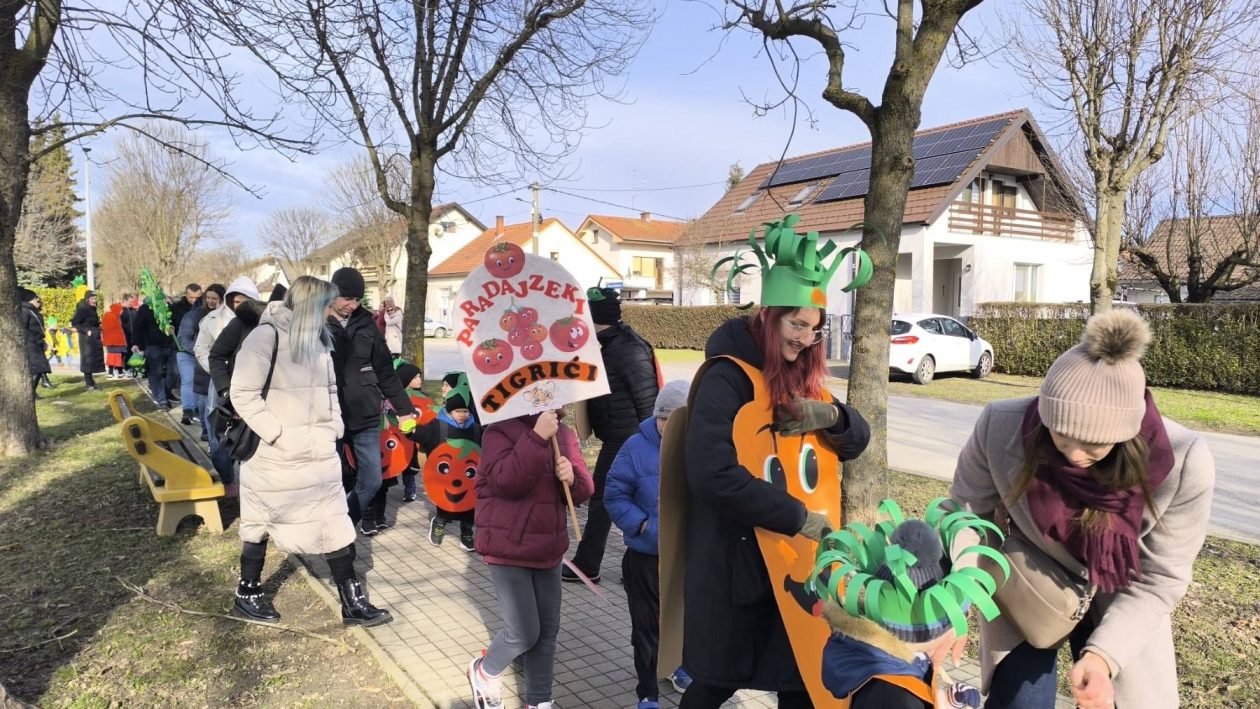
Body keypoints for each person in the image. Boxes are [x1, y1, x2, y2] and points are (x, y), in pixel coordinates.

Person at [950, 309, 1215, 709]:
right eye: (1060, 436)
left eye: (1093, 444)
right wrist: (956, 599)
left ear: (1126, 435)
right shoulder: (1000, 426)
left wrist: (1103, 657)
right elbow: (965, 515)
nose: (1074, 455)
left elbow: (1161, 577)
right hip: (1029, 581)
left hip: (1125, 587)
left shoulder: (1183, 461)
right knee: (1019, 700)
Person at [679, 306, 870, 708]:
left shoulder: (800, 376)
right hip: (737, 565)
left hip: (795, 565)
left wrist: (833, 416)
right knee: (716, 680)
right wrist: (797, 517)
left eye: (814, 330)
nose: (804, 338)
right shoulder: (727, 377)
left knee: (801, 678)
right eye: (796, 324)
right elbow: (711, 474)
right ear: (767, 316)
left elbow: (857, 441)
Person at [229, 276, 392, 628]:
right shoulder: (265, 336)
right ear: (308, 306)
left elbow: (331, 389)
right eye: (325, 306)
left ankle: (352, 600)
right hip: (275, 457)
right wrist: (278, 434)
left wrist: (334, 427)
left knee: (334, 521)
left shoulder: (319, 339)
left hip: (319, 452)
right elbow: (242, 394)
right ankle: (248, 591)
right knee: (259, 522)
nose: (331, 311)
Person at [467, 409, 594, 709]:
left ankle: (539, 701)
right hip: (508, 545)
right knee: (523, 632)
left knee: (547, 631)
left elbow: (584, 490)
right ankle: (484, 672)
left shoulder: (564, 433)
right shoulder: (498, 430)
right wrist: (536, 437)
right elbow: (506, 482)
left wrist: (572, 478)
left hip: (548, 547)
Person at [606, 380, 693, 708]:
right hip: (645, 556)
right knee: (646, 626)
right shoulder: (634, 447)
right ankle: (647, 692)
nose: (668, 426)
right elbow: (614, 494)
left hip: (685, 557)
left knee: (683, 619)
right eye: (663, 419)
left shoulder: (700, 446)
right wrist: (641, 524)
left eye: (677, 420)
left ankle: (678, 667)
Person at [563, 286, 659, 584]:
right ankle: (628, 566)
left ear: (596, 318)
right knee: (620, 499)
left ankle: (587, 565)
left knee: (607, 498)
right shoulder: (603, 346)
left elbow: (648, 397)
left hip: (629, 438)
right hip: (618, 436)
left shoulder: (627, 348)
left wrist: (651, 444)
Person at [326, 267, 416, 536]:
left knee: (373, 480)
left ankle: (345, 524)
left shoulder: (366, 323)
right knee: (331, 480)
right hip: (329, 416)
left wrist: (404, 410)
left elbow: (386, 372)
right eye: (347, 299)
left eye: (357, 300)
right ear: (332, 294)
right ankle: (330, 532)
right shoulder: (316, 322)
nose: (352, 306)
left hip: (364, 415)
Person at [412, 377, 482, 550]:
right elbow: (421, 434)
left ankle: (466, 532)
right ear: (449, 411)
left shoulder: (475, 429)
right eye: (458, 411)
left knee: (469, 504)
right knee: (445, 501)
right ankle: (439, 522)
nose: (462, 415)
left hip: (468, 476)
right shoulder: (437, 426)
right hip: (445, 476)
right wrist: (409, 430)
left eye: (465, 411)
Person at [178, 284, 224, 437]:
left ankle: (212, 432)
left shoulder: (226, 316)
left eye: (214, 298)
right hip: (201, 362)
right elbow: (183, 338)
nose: (211, 301)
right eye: (208, 298)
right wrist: (202, 352)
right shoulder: (195, 315)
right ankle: (205, 429)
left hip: (220, 363)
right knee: (203, 399)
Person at [132, 296, 177, 408]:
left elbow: (176, 321)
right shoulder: (145, 309)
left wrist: (173, 328)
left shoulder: (169, 308)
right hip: (153, 345)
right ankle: (162, 400)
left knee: (174, 372)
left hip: (170, 344)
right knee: (156, 373)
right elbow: (138, 327)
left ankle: (164, 393)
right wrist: (137, 344)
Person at [172, 283, 203, 425]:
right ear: (186, 295)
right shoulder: (177, 308)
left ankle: (199, 410)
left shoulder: (206, 309)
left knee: (200, 382)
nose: (194, 300)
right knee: (188, 380)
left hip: (201, 351)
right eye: (191, 297)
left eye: (198, 297)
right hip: (184, 350)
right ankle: (188, 410)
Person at [70, 291, 105, 391]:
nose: (94, 300)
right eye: (92, 299)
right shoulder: (83, 309)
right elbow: (75, 323)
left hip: (94, 336)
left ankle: (91, 382)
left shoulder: (93, 308)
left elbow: (92, 321)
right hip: (86, 338)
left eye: (95, 298)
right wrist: (86, 330)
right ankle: (89, 383)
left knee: (93, 358)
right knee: (88, 360)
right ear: (87, 299)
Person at [20, 288, 51, 396]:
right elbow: (23, 328)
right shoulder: (25, 311)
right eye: (35, 299)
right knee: (37, 368)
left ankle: (32, 392)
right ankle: (30, 393)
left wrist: (43, 340)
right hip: (31, 343)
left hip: (37, 342)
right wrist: (33, 339)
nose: (37, 300)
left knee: (40, 368)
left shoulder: (32, 311)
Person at [102, 302, 129, 379]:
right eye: (120, 310)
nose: (121, 311)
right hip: (116, 341)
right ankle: (118, 372)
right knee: (117, 357)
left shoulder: (110, 316)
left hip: (110, 341)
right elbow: (118, 330)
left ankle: (112, 372)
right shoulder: (113, 317)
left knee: (112, 356)